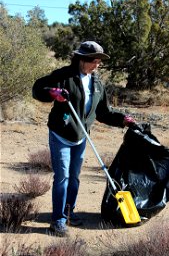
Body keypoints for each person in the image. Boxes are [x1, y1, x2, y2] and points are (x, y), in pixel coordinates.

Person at [32, 41, 135, 236]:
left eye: (99, 61)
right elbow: (37, 89)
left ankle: (69, 212)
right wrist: (52, 93)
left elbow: (103, 112)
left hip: (81, 136)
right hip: (61, 134)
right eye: (93, 61)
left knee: (75, 177)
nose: (97, 65)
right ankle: (58, 220)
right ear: (81, 59)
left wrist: (123, 120)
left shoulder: (96, 83)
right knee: (62, 177)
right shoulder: (64, 76)